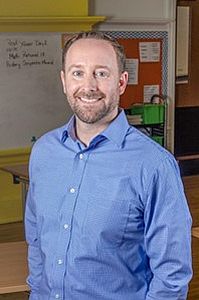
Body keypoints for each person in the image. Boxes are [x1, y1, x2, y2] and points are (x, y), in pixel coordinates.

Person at [25, 31, 192, 300]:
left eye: (101, 73)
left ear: (122, 82)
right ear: (64, 81)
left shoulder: (154, 165)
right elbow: (36, 239)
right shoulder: (44, 152)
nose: (88, 86)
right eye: (78, 73)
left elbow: (172, 273)